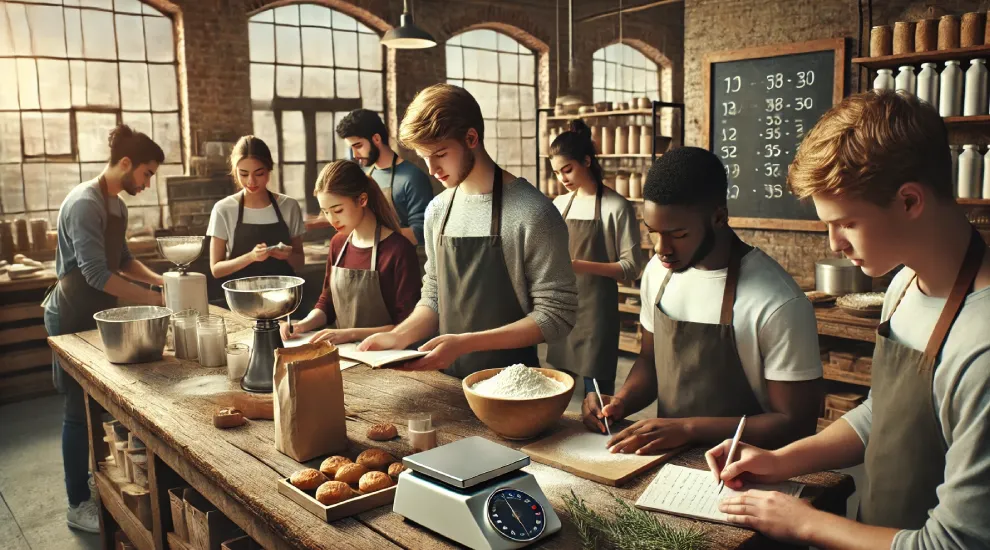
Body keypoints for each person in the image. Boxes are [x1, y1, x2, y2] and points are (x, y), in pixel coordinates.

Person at [706, 91, 990, 549]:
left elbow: (953, 544)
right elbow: (883, 415)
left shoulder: (982, 345)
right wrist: (779, 461)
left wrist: (803, 522)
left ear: (910, 201)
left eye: (846, 223)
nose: (834, 244)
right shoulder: (902, 287)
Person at [582, 147, 822, 455]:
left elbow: (796, 424)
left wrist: (687, 429)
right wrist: (620, 402)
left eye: (678, 234)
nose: (661, 249)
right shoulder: (657, 273)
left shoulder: (777, 302)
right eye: (653, 232)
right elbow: (650, 362)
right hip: (665, 462)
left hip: (746, 472)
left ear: (719, 217)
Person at [359, 84, 578, 377]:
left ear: (471, 138)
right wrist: (399, 337)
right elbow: (435, 294)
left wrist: (465, 344)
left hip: (513, 387)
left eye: (440, 153)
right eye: (424, 156)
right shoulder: (437, 210)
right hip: (447, 379)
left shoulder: (533, 212)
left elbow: (557, 316)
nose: (432, 168)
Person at [43, 124, 166, 533]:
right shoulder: (84, 203)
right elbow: (96, 273)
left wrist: (165, 283)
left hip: (101, 311)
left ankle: (102, 484)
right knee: (78, 411)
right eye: (147, 174)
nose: (148, 183)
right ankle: (77, 503)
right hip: (73, 313)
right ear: (126, 163)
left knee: (105, 404)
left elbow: (124, 258)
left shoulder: (118, 204)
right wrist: (151, 299)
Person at [545, 120, 645, 395]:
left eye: (567, 169)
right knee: (557, 391)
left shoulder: (616, 206)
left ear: (587, 161)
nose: (562, 179)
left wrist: (578, 265)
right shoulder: (559, 205)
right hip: (563, 305)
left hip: (597, 311)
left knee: (598, 395)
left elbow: (631, 267)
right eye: (556, 173)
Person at [280, 160, 421, 344]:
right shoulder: (338, 244)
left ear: (362, 200)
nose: (332, 220)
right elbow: (327, 302)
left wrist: (349, 334)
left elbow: (407, 326)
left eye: (337, 210)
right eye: (326, 212)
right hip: (346, 355)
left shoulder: (398, 250)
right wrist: (302, 325)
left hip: (387, 357)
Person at [207, 136, 304, 298]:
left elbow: (300, 263)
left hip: (284, 298)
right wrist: (251, 257)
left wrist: (288, 255)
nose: (251, 181)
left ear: (269, 170)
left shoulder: (289, 206)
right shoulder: (223, 209)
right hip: (242, 300)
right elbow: (216, 270)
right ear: (235, 171)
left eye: (259, 173)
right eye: (243, 174)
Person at [336, 109, 433, 255]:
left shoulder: (413, 177)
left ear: (376, 139)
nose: (355, 155)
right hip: (370, 255)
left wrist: (371, 234)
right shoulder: (364, 175)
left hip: (402, 260)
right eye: (352, 148)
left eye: (358, 146)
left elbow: (420, 232)